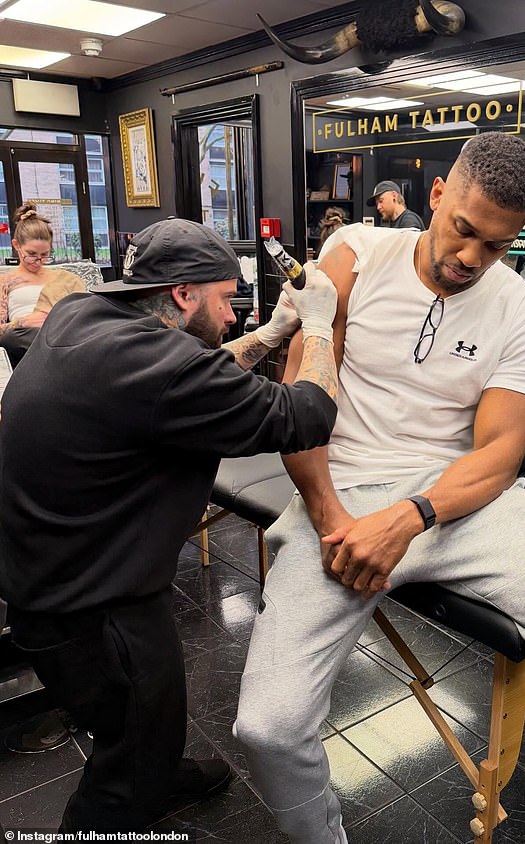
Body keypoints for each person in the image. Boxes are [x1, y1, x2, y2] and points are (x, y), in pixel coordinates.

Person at [235, 132, 525, 844]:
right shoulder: (355, 253)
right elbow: (301, 402)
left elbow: (501, 454)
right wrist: (331, 518)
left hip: (458, 500)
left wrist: (410, 516)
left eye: (498, 246)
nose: (472, 259)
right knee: (267, 726)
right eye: (465, 232)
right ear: (438, 196)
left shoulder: (522, 312)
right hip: (343, 488)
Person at [0, 217, 339, 833]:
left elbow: (190, 375)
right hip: (90, 604)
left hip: (49, 567)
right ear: (183, 295)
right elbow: (307, 414)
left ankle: (157, 763)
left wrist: (270, 332)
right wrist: (317, 324)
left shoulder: (86, 317)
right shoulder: (163, 365)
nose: (233, 314)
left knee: (145, 711)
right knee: (128, 752)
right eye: (226, 299)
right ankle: (134, 788)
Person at [0, 203, 85, 365]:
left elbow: (83, 314)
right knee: (11, 338)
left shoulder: (67, 279)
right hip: (25, 338)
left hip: (64, 332)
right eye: (31, 254)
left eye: (44, 255)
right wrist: (22, 322)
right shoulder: (5, 282)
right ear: (16, 245)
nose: (38, 261)